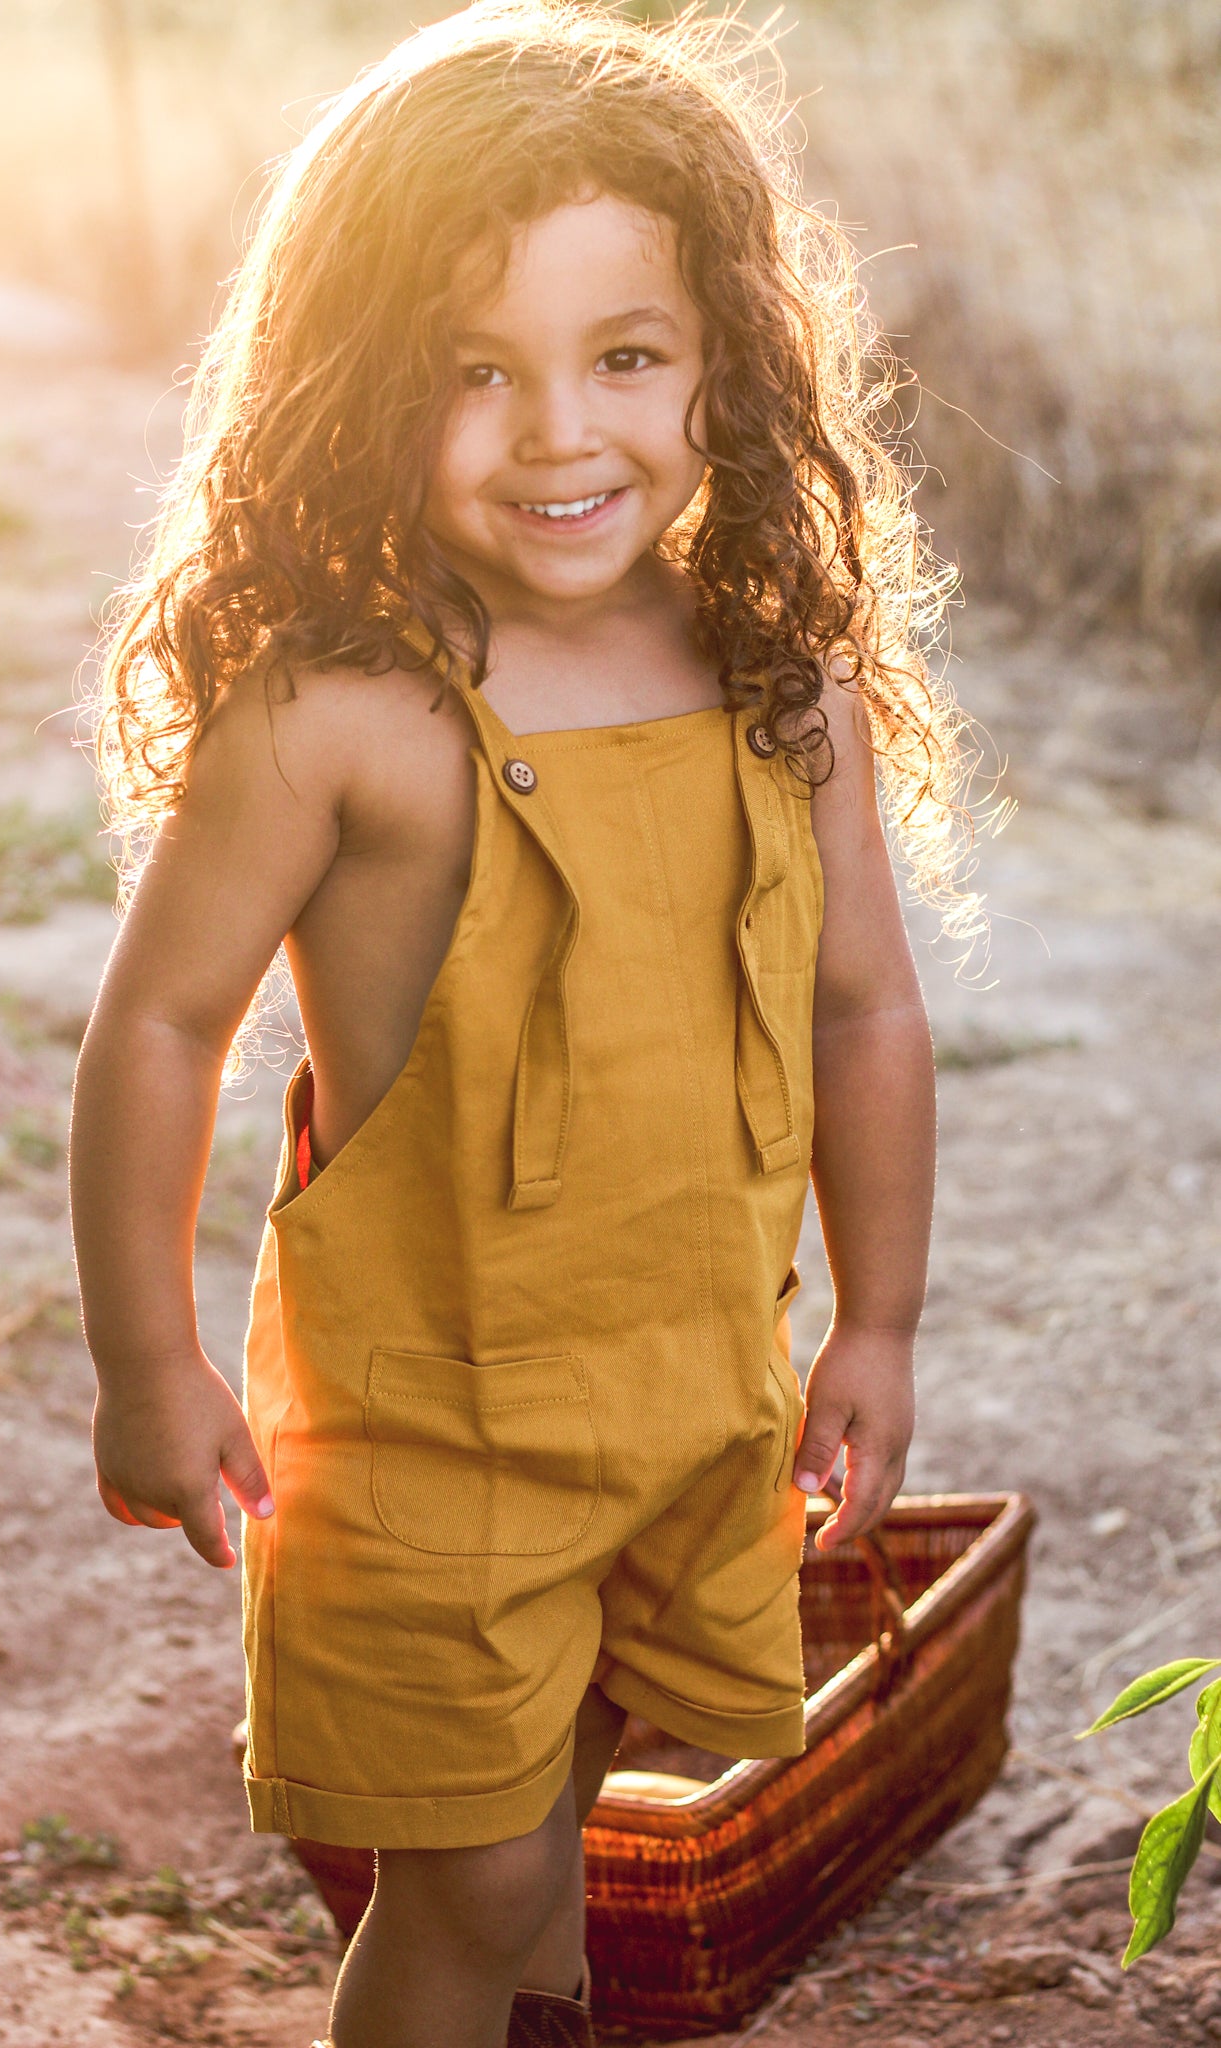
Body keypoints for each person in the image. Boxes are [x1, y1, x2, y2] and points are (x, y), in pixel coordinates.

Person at [70, 6, 976, 2043]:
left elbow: (860, 1007)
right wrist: (144, 1360)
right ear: (351, 388)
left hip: (683, 1397)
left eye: (623, 357)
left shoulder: (775, 680)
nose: (559, 431)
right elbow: (155, 1027)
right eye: (471, 372)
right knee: (465, 1869)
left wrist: (882, 1320)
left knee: (562, 1803)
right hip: (421, 1428)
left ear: (722, 363)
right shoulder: (337, 713)